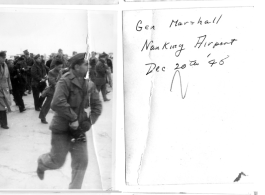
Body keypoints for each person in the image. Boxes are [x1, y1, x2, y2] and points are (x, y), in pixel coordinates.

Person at [37, 53, 102, 189]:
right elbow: (56, 103)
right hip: (62, 128)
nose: (88, 67)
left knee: (82, 163)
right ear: (77, 66)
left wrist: (89, 121)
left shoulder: (88, 84)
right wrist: (73, 118)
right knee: (57, 162)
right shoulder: (64, 81)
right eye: (85, 64)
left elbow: (97, 106)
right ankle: (42, 163)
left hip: (79, 130)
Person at [39, 59, 63, 124]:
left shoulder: (60, 71)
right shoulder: (51, 72)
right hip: (52, 91)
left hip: (59, 90)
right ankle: (42, 117)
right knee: (47, 105)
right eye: (59, 67)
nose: (60, 68)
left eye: (61, 67)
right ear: (55, 66)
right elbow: (52, 82)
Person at [0, 51, 12, 129]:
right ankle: (4, 124)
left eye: (5, 57)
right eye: (3, 57)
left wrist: (10, 88)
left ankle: (3, 123)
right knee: (2, 106)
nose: (4, 59)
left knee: (3, 106)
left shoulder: (5, 65)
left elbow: (8, 78)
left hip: (5, 88)